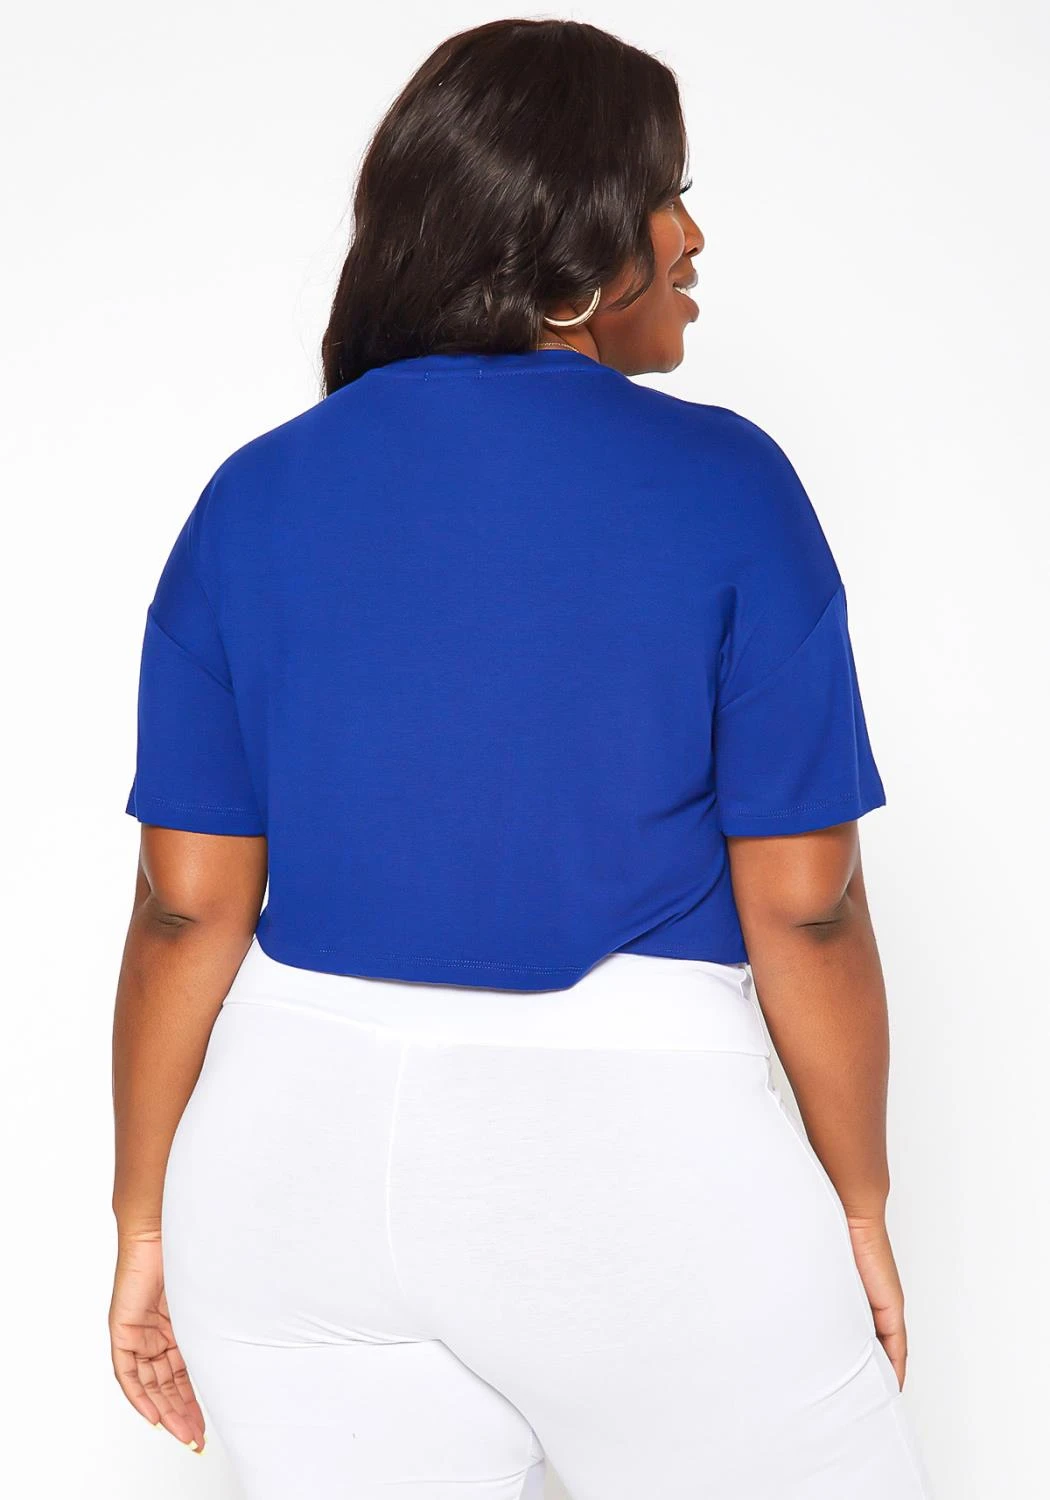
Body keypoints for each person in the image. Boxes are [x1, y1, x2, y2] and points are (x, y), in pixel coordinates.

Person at [109, 17, 936, 1500]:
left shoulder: (254, 494)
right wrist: (858, 1206)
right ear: (570, 248)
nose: (690, 236)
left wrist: (145, 1220)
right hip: (636, 1156)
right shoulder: (726, 481)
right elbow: (807, 905)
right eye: (663, 197)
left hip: (290, 1162)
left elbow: (185, 906)